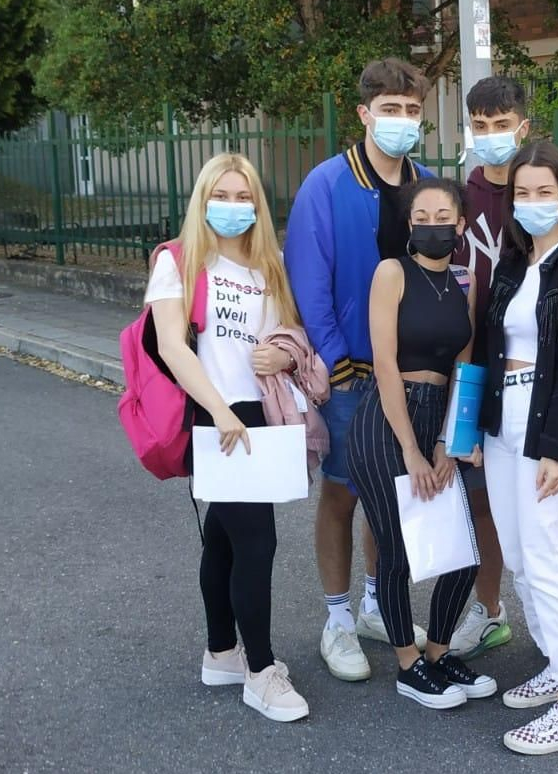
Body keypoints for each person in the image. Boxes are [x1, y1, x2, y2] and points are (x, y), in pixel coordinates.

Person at [144, 152, 309, 723]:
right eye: (223, 195)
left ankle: (221, 652)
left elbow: (291, 335)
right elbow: (171, 345)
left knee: (224, 536)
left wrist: (280, 353)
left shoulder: (272, 265)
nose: (233, 207)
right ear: (202, 199)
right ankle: (261, 672)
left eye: (245, 198)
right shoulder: (179, 262)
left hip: (260, 412)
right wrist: (219, 411)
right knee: (257, 541)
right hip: (216, 415)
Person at [283, 57, 433, 682]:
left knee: (391, 495)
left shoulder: (425, 183)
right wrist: (335, 362)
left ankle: (376, 603)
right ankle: (337, 617)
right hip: (350, 371)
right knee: (343, 492)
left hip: (410, 370)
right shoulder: (326, 183)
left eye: (412, 111)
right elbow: (309, 278)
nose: (401, 121)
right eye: (390, 109)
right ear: (365, 113)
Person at [478, 141, 558, 755]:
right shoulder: (514, 263)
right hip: (502, 429)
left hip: (544, 435)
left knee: (547, 555)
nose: (532, 203)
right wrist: (473, 432)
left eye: (543, 192)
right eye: (521, 193)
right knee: (518, 555)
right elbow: (488, 350)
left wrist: (557, 449)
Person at [346, 178, 496, 709]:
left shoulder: (466, 280)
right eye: (421, 215)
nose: (433, 224)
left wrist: (447, 441)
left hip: (438, 418)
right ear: (409, 224)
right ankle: (408, 664)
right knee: (397, 551)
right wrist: (411, 447)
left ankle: (437, 653)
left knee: (462, 555)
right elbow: (384, 363)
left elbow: (464, 363)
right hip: (386, 420)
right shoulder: (392, 273)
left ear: (460, 226)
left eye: (444, 216)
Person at [446, 74, 528, 660]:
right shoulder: (458, 200)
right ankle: (490, 609)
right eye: (481, 127)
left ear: (524, 128)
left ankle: (552, 615)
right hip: (472, 370)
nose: (492, 136)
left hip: (532, 370)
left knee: (544, 506)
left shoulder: (544, 192)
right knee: (480, 501)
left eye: (503, 126)